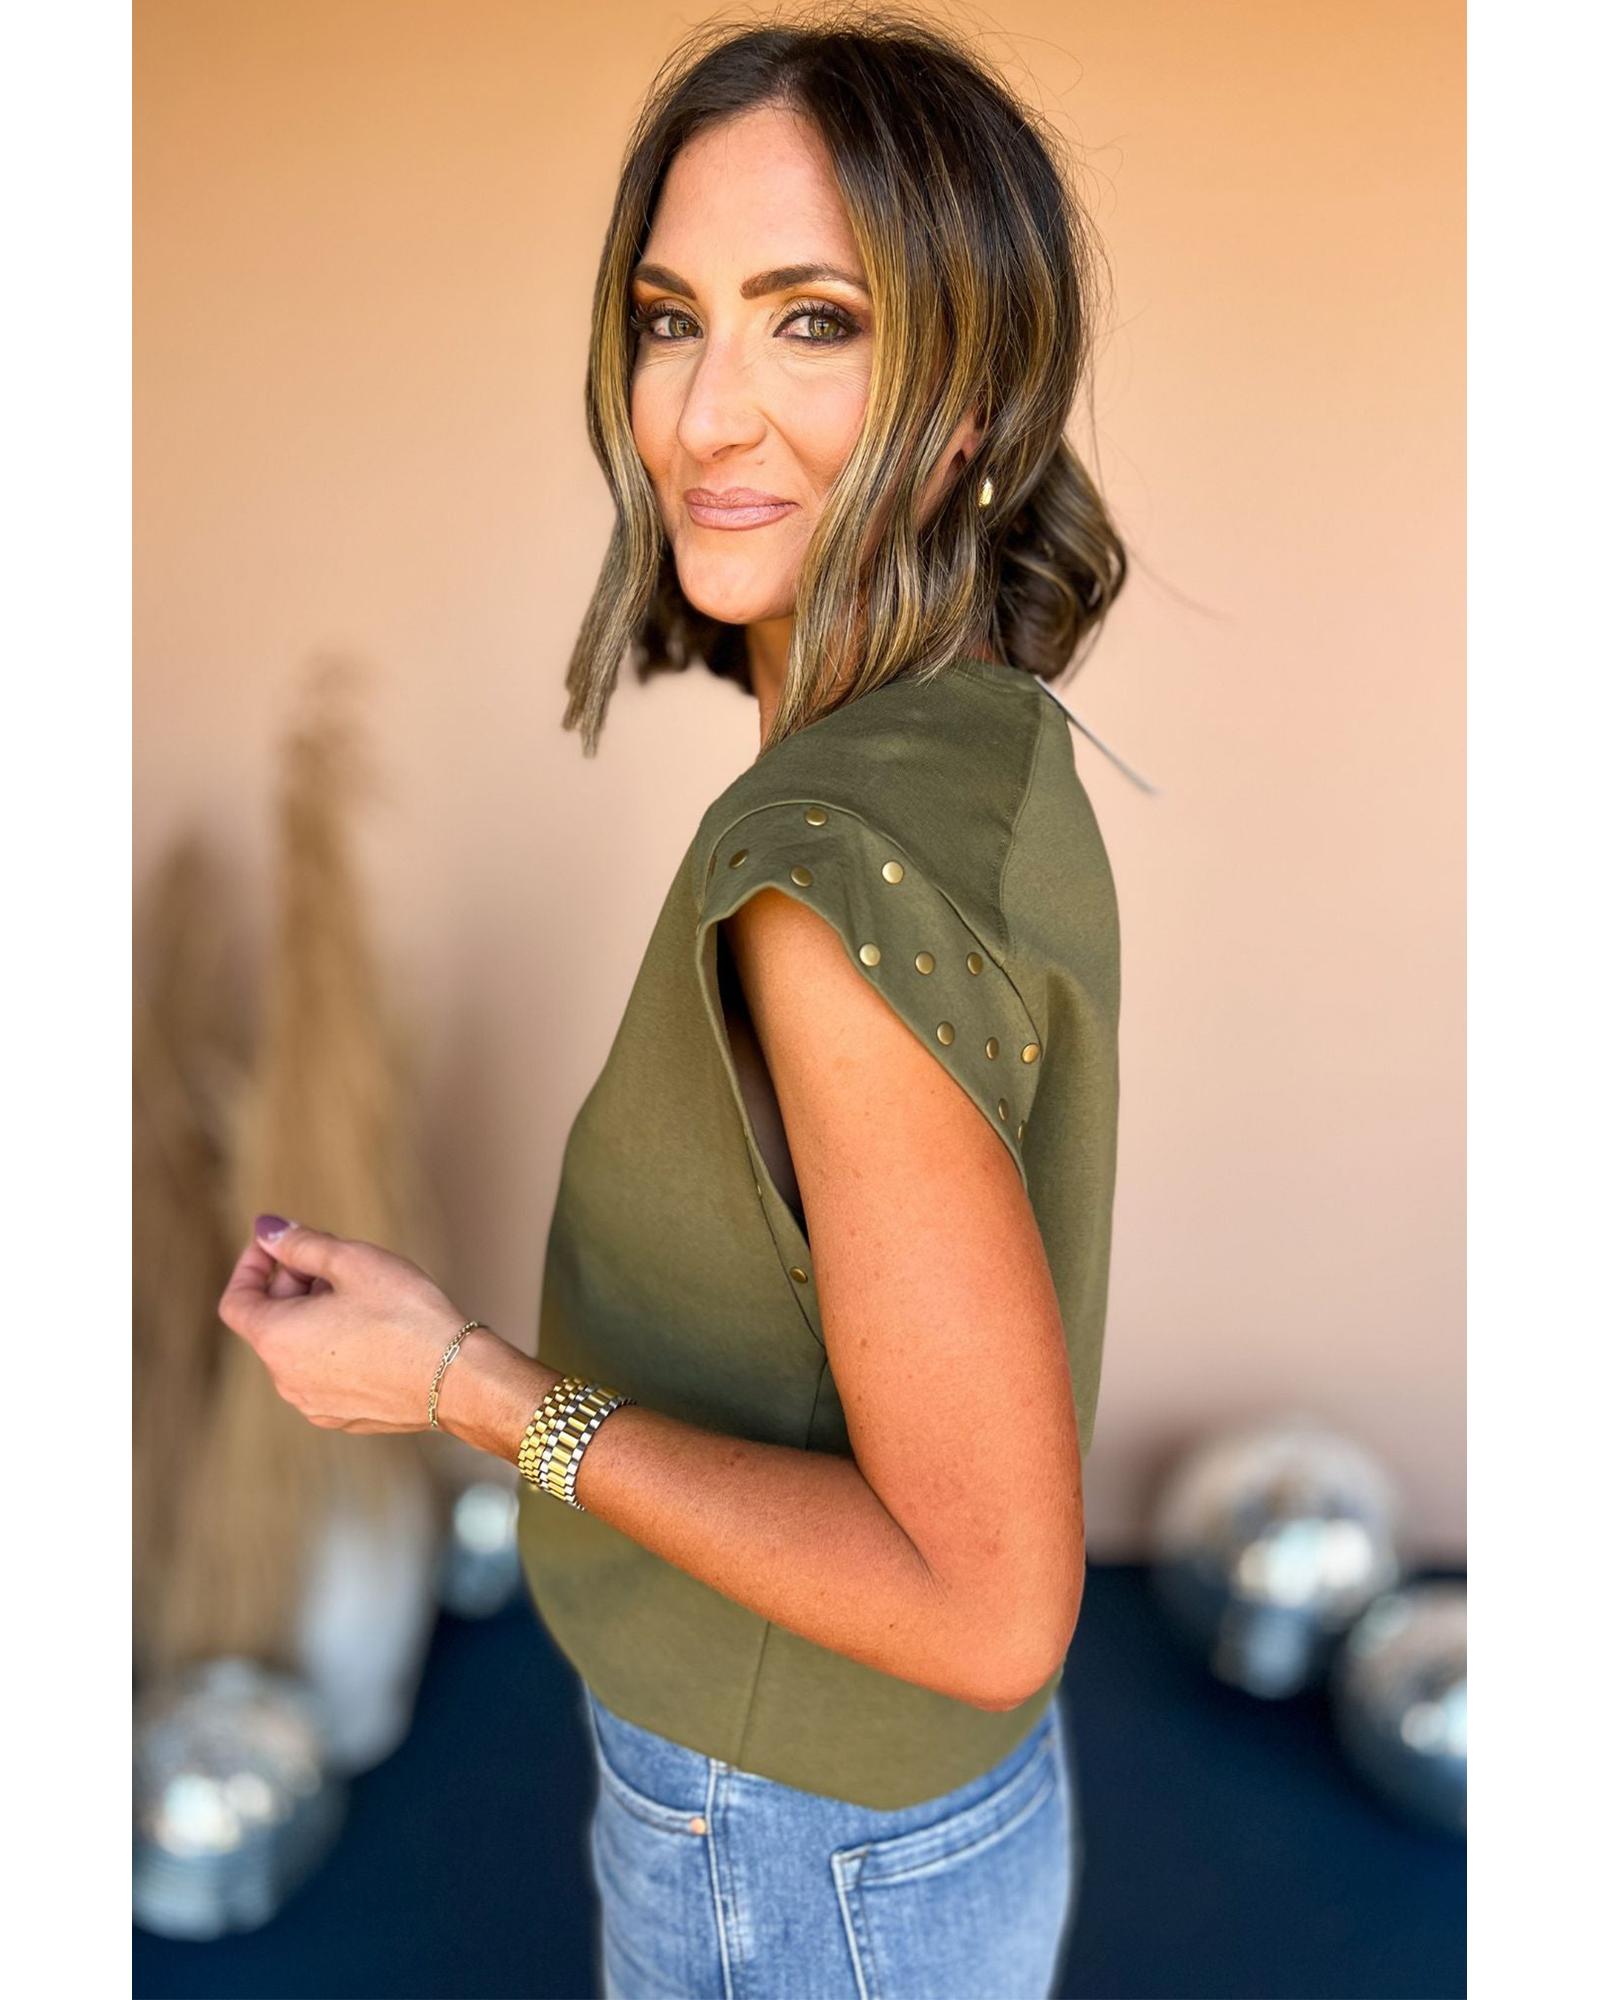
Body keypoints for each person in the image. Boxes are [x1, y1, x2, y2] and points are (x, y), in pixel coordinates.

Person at [219, 13, 1127, 1996]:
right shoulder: (974, 737)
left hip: (794, 1848)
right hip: (897, 1825)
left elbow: (988, 1603)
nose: (707, 411)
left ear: (972, 388)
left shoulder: (819, 879)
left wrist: (458, 1384)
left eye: (814, 322)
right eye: (668, 318)